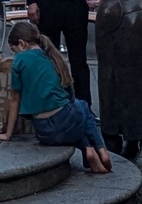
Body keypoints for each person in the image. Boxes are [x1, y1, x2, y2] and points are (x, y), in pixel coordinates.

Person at [7, 21, 112, 174]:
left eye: (14, 50)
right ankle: (99, 150)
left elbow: (15, 100)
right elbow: (70, 96)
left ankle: (89, 150)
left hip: (44, 132)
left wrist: (7, 134)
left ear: (21, 44)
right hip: (66, 121)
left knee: (74, 120)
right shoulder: (53, 57)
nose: (15, 54)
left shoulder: (19, 61)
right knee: (82, 107)